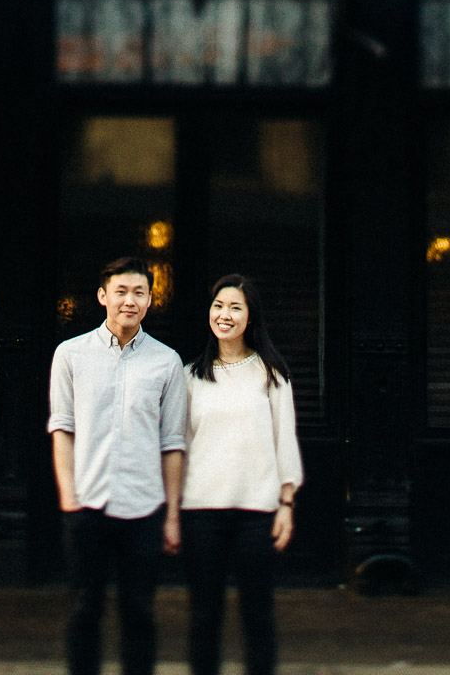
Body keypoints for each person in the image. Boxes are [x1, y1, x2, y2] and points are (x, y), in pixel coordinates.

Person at [48, 255, 189, 675]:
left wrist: (172, 516)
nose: (130, 300)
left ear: (150, 301)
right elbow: (62, 427)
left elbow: (173, 443)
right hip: (86, 503)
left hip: (144, 507)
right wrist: (68, 495)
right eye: (122, 291)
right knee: (85, 609)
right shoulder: (70, 355)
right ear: (102, 295)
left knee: (140, 613)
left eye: (139, 293)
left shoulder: (167, 363)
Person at [180, 273, 304, 675]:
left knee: (258, 616)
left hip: (257, 510)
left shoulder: (272, 375)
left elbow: (285, 441)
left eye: (235, 307)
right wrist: (172, 510)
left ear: (250, 317)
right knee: (203, 617)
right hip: (201, 510)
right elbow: (178, 447)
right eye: (218, 306)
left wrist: (286, 503)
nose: (225, 315)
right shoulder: (190, 377)